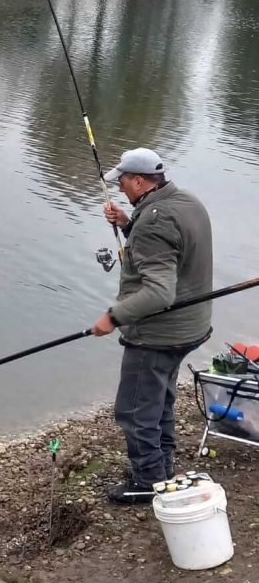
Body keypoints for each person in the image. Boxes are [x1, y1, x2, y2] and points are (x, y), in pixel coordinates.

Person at [91, 148, 213, 504]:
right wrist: (129, 225)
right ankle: (162, 466)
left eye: (124, 181)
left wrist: (113, 317)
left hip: (158, 335)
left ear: (141, 181)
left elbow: (160, 292)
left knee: (133, 408)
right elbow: (171, 250)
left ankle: (147, 482)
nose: (122, 188)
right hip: (192, 329)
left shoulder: (155, 221)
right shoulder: (185, 201)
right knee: (159, 400)